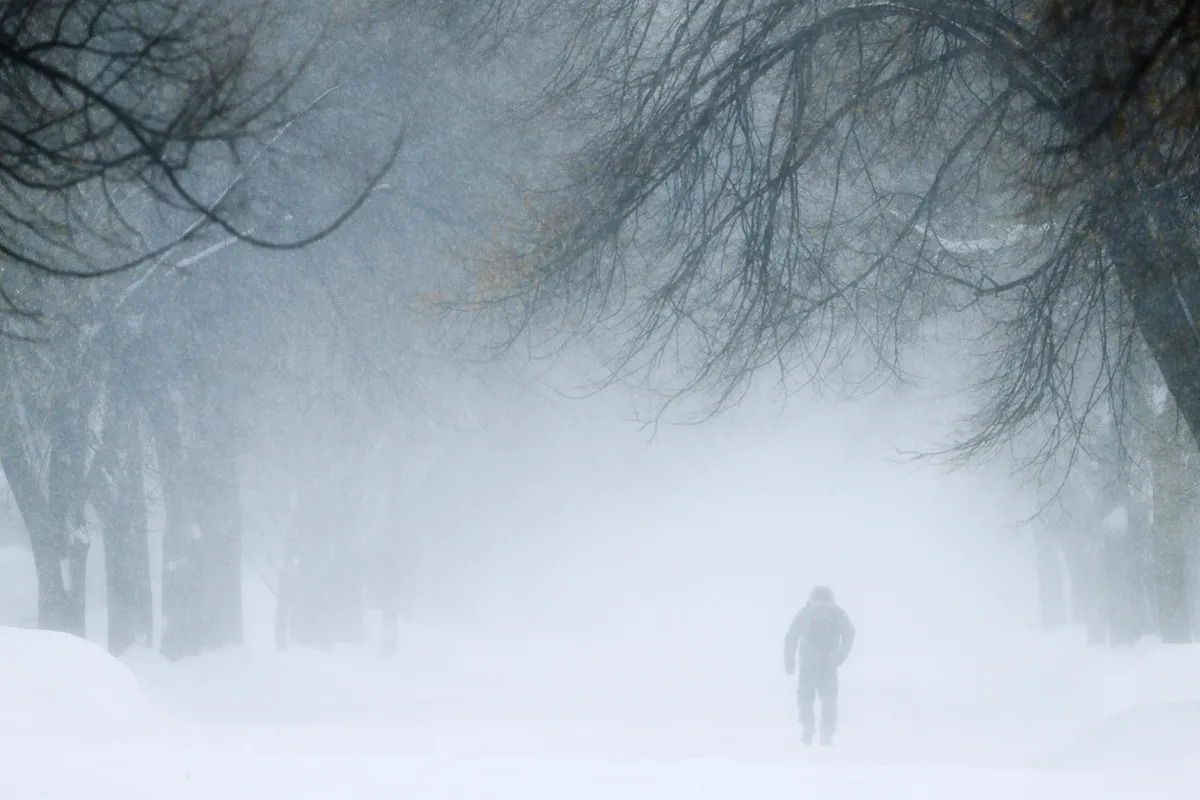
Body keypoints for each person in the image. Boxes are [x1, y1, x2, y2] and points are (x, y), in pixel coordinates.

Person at [784, 585, 855, 746]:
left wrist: (790, 662)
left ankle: (810, 728)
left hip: (811, 662)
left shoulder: (806, 612)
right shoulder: (837, 613)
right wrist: (840, 655)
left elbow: (791, 637)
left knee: (806, 698)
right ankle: (825, 733)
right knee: (828, 699)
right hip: (827, 663)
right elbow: (850, 633)